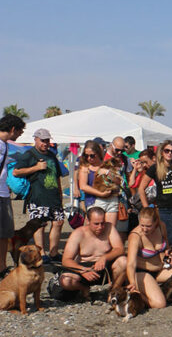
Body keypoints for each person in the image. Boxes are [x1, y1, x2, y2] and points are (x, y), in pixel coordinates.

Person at [13, 128, 66, 262]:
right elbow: (16, 172)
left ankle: (53, 253)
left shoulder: (52, 155)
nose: (45, 143)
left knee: (59, 222)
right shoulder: (29, 154)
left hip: (53, 197)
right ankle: (41, 254)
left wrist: (60, 194)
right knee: (39, 225)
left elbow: (57, 176)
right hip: (37, 197)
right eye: (43, 140)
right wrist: (36, 167)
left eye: (47, 140)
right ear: (35, 139)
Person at [58, 207, 127, 299]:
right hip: (84, 269)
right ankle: (84, 289)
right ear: (87, 220)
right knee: (65, 280)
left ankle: (113, 291)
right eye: (96, 224)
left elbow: (120, 249)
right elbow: (66, 260)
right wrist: (82, 270)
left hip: (105, 269)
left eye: (102, 223)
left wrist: (104, 257)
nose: (100, 227)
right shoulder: (78, 234)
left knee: (123, 262)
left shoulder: (109, 227)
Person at [138, 140, 172, 248]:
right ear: (162, 152)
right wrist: (147, 208)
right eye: (167, 150)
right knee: (166, 241)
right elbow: (141, 188)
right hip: (164, 210)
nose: (170, 153)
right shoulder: (154, 168)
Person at [126, 207, 172, 309]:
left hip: (160, 269)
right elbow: (130, 263)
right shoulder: (135, 236)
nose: (144, 229)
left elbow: (167, 246)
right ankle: (136, 295)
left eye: (148, 226)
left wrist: (169, 254)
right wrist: (132, 284)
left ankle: (156, 289)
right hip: (142, 272)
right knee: (159, 304)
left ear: (156, 222)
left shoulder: (161, 226)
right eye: (142, 225)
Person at [0, 114, 26, 272]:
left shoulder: (5, 145)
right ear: (12, 129)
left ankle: (2, 266)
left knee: (5, 232)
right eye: (19, 132)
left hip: (3, 193)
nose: (19, 135)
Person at [78, 140, 121, 228]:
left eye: (92, 155)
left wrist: (108, 172)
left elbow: (118, 181)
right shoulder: (85, 168)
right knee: (95, 229)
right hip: (94, 201)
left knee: (110, 229)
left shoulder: (107, 164)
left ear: (98, 153)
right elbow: (83, 186)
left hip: (111, 199)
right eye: (86, 156)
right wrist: (101, 194)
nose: (89, 158)